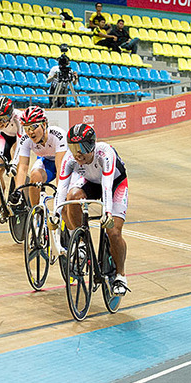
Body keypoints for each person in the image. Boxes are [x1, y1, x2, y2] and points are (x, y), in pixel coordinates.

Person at [53, 123, 129, 295]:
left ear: (91, 146)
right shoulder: (70, 158)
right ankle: (81, 243)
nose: (77, 154)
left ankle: (120, 275)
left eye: (81, 148)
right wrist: (55, 215)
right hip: (91, 183)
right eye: (73, 147)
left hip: (116, 185)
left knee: (114, 232)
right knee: (72, 198)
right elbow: (61, 189)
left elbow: (107, 187)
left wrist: (108, 213)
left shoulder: (105, 152)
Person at [11, 106, 68, 208]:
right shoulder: (25, 139)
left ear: (44, 124)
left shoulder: (58, 135)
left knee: (65, 197)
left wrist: (60, 191)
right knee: (35, 177)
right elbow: (23, 167)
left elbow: (60, 167)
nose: (30, 132)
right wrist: (18, 191)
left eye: (33, 127)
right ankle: (36, 213)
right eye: (26, 128)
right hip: (47, 161)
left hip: (65, 163)